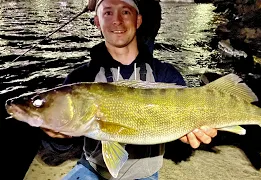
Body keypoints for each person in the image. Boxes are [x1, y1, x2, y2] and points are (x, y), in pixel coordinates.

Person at [41, 0, 218, 179]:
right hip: (92, 169)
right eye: (108, 13)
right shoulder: (80, 79)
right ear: (97, 22)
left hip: (144, 174)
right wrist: (58, 137)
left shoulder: (166, 75)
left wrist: (189, 133)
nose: (117, 20)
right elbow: (56, 152)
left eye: (125, 12)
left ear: (138, 20)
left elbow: (181, 139)